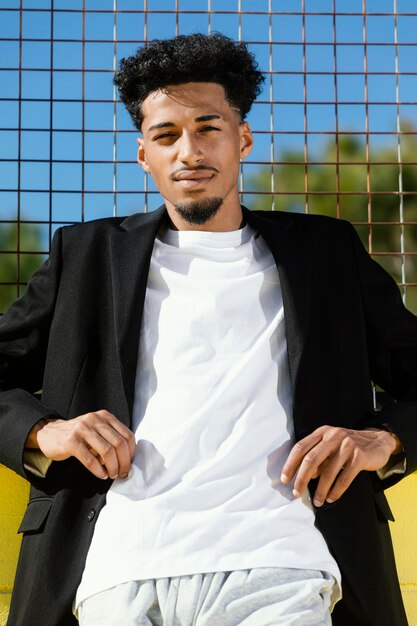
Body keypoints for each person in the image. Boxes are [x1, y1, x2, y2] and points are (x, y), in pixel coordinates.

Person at [0, 32, 416, 626]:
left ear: (242, 138)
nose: (189, 151)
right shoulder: (85, 256)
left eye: (208, 128)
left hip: (283, 566)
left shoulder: (325, 255)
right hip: (120, 569)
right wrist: (44, 432)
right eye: (166, 136)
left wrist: (385, 441)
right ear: (144, 153)